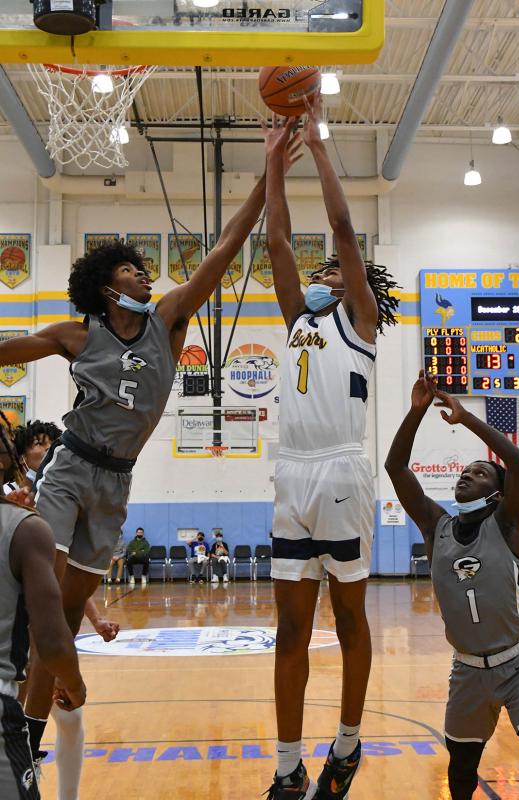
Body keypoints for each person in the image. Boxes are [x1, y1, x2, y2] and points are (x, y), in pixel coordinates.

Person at [0, 134, 301, 770]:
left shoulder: (168, 319)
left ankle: (31, 721)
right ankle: (23, 735)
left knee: (74, 605)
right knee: (45, 600)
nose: (145, 274)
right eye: (132, 269)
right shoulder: (77, 335)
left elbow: (225, 248)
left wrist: (269, 173)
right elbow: (11, 349)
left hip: (118, 482)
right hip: (71, 467)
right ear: (108, 286)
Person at [262, 100, 399, 800]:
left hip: (342, 470)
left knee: (347, 616)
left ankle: (345, 746)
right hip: (290, 475)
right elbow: (278, 244)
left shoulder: (363, 324)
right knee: (289, 629)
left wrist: (318, 146)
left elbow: (342, 226)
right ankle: (287, 766)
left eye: (337, 270)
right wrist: (269, 165)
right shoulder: (297, 320)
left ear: (357, 285)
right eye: (323, 272)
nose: (325, 272)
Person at [385, 371, 519, 800]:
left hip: (518, 667)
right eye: (464, 471)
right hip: (467, 671)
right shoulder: (437, 527)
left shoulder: (506, 523)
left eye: (479, 472)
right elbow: (395, 467)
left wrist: (466, 417)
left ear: (497, 491)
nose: (466, 476)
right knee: (460, 780)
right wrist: (416, 413)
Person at [0, 411, 85, 800]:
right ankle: (30, 749)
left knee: (71, 718)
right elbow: (51, 636)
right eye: (35, 443)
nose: (44, 449)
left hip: (35, 635)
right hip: (24, 651)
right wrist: (73, 677)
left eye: (49, 444)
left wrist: (95, 617)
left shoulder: (49, 505)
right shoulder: (21, 514)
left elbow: (62, 577)